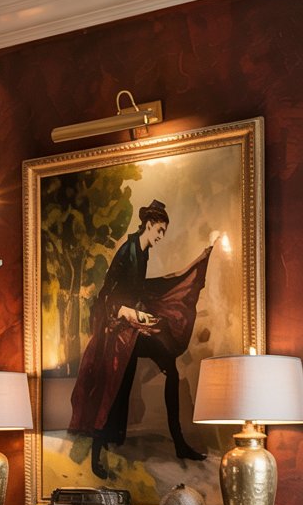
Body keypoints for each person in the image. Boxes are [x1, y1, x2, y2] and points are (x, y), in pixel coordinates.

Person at [68, 199, 215, 480]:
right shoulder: (127, 251)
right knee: (111, 387)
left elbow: (138, 289)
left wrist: (143, 314)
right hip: (117, 329)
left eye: (163, 232)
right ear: (149, 225)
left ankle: (180, 443)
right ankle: (97, 454)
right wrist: (128, 312)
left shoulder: (143, 251)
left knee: (169, 368)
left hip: (132, 326)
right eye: (159, 231)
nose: (161, 237)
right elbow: (107, 295)